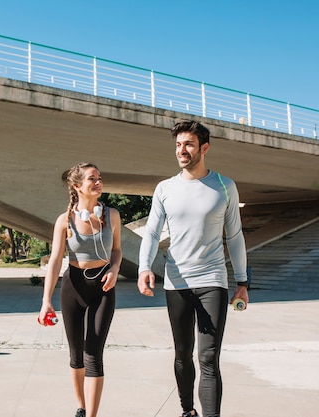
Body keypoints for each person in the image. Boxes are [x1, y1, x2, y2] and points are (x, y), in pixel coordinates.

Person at [137, 120, 249, 417]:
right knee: (182, 355)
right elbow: (151, 232)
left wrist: (242, 281)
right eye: (178, 145)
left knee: (208, 357)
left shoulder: (225, 186)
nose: (181, 150)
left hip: (213, 279)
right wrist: (144, 267)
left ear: (204, 148)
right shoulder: (165, 188)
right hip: (176, 282)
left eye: (188, 144)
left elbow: (235, 235)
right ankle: (187, 411)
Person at [39, 162, 122, 417]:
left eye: (100, 177)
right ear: (77, 186)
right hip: (73, 286)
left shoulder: (113, 215)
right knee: (77, 354)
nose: (98, 182)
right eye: (92, 179)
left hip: (103, 287)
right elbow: (54, 261)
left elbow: (117, 251)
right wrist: (46, 300)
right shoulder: (65, 220)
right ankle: (81, 408)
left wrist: (115, 269)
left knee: (94, 354)